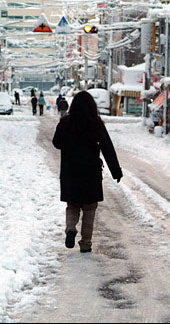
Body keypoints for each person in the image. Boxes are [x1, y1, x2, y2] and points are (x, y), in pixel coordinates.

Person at [52, 91, 122, 253]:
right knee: (89, 209)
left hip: (70, 171)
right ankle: (86, 244)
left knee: (73, 205)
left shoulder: (65, 122)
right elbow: (107, 148)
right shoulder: (96, 123)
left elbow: (56, 143)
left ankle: (70, 228)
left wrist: (69, 143)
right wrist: (116, 171)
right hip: (91, 172)